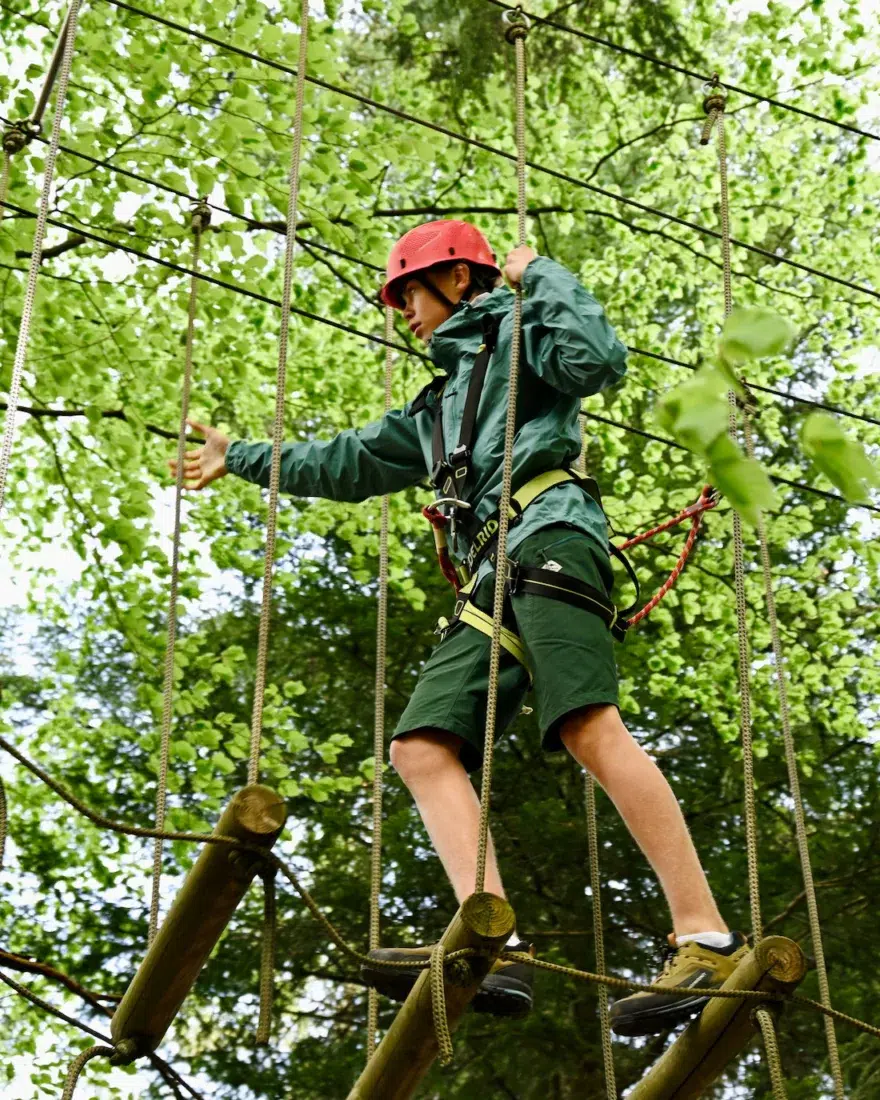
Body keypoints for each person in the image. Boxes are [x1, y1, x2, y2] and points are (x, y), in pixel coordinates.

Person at [170, 219, 746, 1034]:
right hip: (491, 571)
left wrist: (538, 273)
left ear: (459, 281)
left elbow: (597, 361)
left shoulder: (524, 336)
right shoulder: (438, 407)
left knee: (587, 724)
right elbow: (344, 461)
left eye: (409, 291)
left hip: (550, 535)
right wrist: (245, 459)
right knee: (420, 748)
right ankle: (493, 940)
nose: (401, 311)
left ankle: (706, 936)